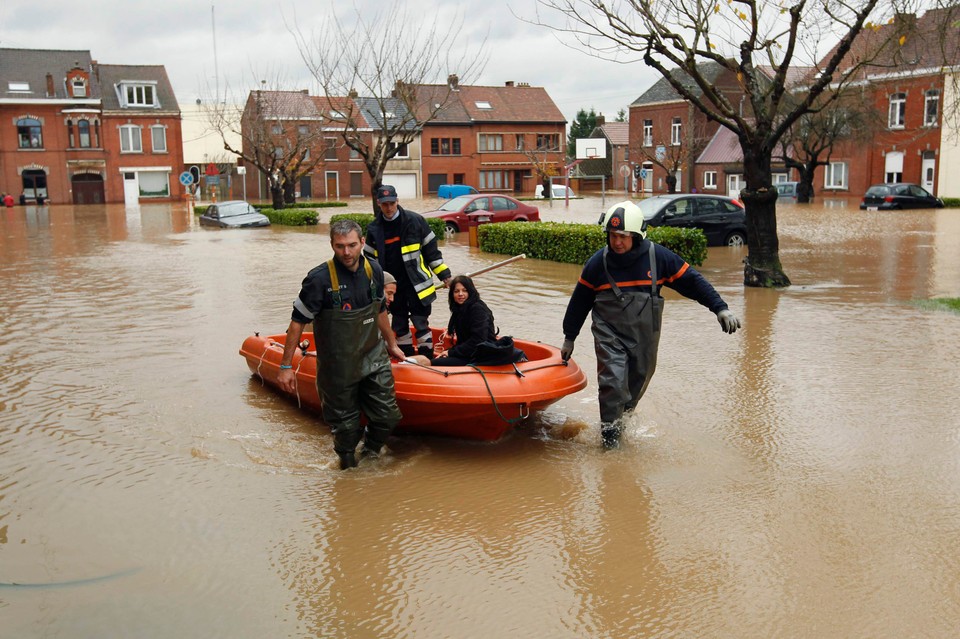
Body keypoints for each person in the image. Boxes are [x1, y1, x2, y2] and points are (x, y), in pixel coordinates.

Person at [560, 201, 741, 449]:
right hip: (608, 334)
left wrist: (719, 308)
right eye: (612, 236)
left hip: (644, 338)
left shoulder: (658, 259)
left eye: (623, 236)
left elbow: (692, 282)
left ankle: (619, 427)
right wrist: (569, 337)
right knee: (612, 383)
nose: (617, 242)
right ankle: (609, 446)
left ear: (636, 235)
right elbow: (579, 302)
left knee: (634, 387)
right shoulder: (596, 265)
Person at [277, 219, 404, 470]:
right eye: (340, 246)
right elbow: (297, 323)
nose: (347, 252)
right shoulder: (319, 279)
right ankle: (348, 469)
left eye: (352, 245)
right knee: (345, 428)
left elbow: (379, 310)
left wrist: (391, 343)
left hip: (373, 357)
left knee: (388, 416)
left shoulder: (374, 271)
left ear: (362, 242)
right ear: (332, 245)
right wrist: (285, 366)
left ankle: (370, 452)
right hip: (337, 365)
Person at [364, 185, 451, 359]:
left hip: (418, 284)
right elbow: (368, 264)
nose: (388, 208)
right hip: (393, 289)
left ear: (397, 201)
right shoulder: (374, 230)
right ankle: (406, 359)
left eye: (391, 203)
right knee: (399, 324)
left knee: (421, 323)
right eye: (384, 204)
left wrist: (445, 276)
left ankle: (427, 358)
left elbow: (432, 253)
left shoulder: (416, 221)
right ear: (378, 204)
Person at [432, 275, 498, 366]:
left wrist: (451, 353)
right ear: (452, 294)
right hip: (469, 353)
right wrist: (450, 352)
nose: (460, 294)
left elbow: (478, 340)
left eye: (464, 290)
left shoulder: (478, 309)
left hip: (482, 355)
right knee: (439, 358)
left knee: (435, 363)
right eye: (456, 291)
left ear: (471, 291)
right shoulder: (459, 310)